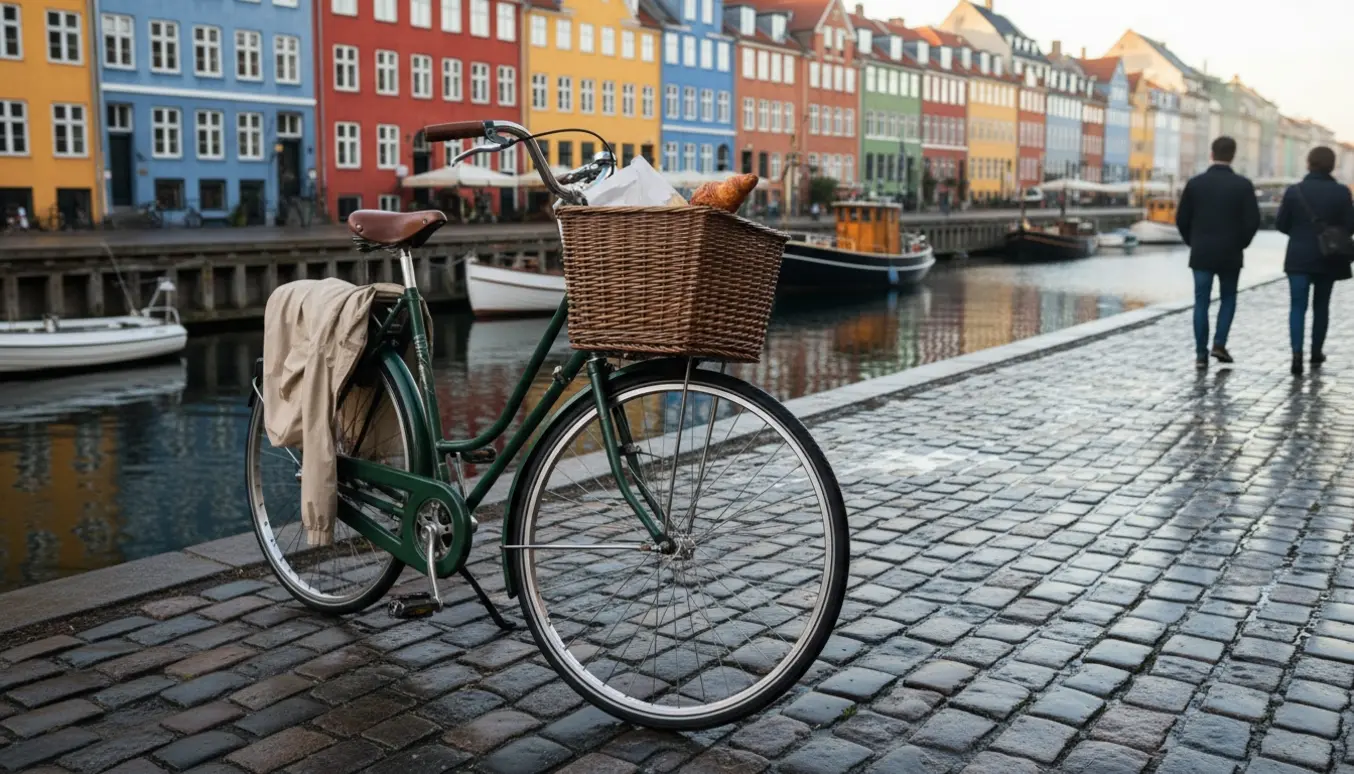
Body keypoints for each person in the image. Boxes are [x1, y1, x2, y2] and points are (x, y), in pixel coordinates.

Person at [1175, 136, 1260, 368]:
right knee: (1228, 298)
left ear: (1211, 154)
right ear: (1233, 155)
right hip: (1231, 252)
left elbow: (1181, 219)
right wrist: (1241, 243)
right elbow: (1253, 221)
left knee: (1201, 302)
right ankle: (1219, 344)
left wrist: (1193, 242)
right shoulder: (1243, 185)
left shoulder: (1195, 184)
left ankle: (1200, 355)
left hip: (1202, 251)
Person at [1275, 145, 1354, 376]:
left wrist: (1300, 234)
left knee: (1297, 306)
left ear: (1309, 163)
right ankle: (1316, 352)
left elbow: (1281, 224)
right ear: (1332, 165)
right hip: (1328, 256)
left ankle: (1296, 355)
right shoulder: (1341, 192)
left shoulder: (1294, 191)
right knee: (1321, 306)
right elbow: (1350, 226)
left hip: (1298, 256)